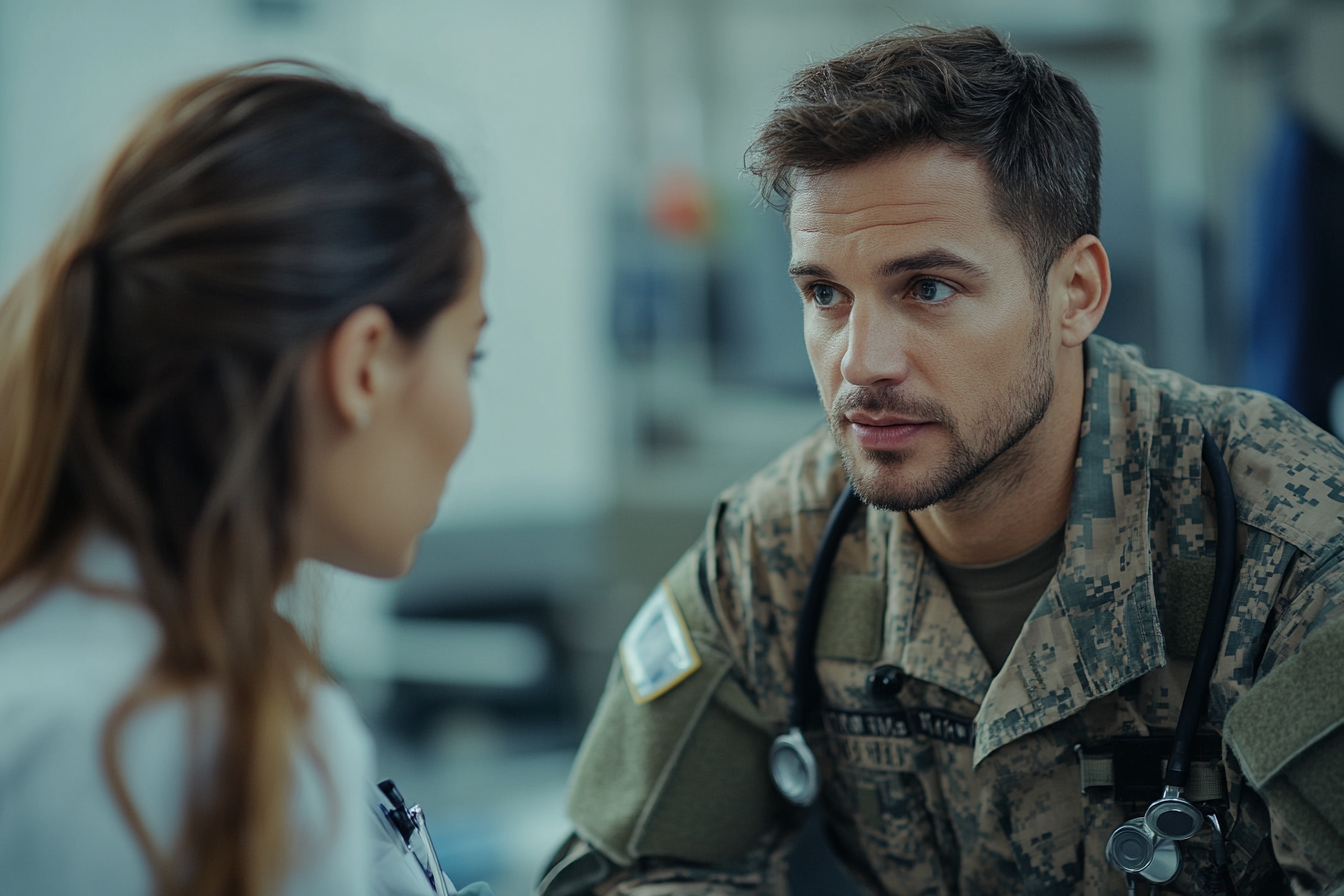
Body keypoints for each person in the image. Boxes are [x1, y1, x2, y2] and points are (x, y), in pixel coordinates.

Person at [540, 25, 1344, 896]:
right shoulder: (777, 550)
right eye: (825, 295)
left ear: (1075, 294)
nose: (860, 361)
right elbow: (629, 873)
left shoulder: (1290, 542)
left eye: (928, 289)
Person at [0, 66, 495, 896]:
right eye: (468, 355)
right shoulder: (211, 750)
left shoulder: (64, 651)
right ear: (365, 365)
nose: (469, 415)